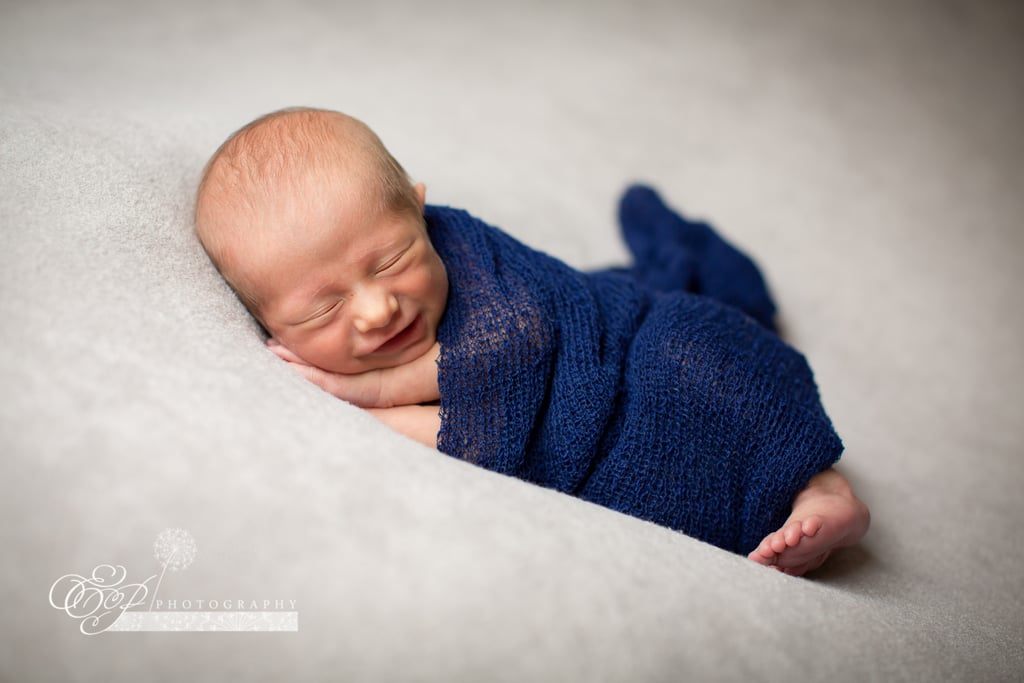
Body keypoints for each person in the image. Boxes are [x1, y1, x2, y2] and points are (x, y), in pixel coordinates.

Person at [194, 107, 869, 576]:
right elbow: (473, 438)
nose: (377, 308)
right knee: (646, 496)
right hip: (598, 450)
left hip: (628, 349)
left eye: (392, 258)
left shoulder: (473, 255)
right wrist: (359, 407)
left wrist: (364, 390)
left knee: (700, 348)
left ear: (420, 208)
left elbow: (522, 334)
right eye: (325, 307)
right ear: (272, 327)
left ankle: (823, 490)